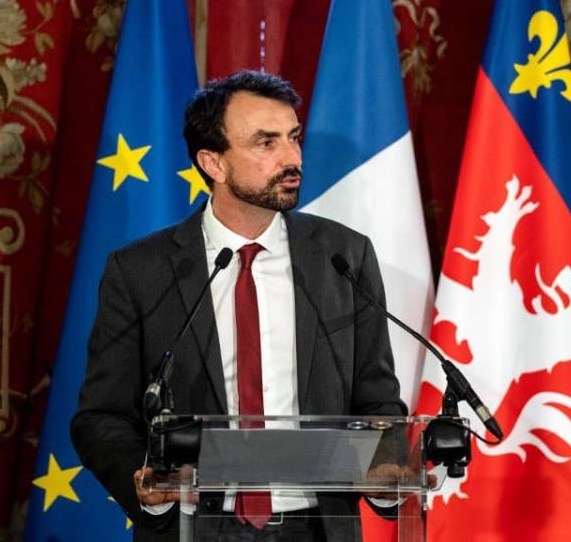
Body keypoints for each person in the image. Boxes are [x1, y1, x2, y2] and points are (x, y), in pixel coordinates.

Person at [70, 70, 406, 541]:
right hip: (195, 526)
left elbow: (378, 400)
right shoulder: (141, 271)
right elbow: (101, 416)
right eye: (265, 143)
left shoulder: (344, 257)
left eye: (293, 137)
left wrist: (387, 472)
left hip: (316, 527)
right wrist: (146, 481)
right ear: (214, 163)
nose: (292, 158)